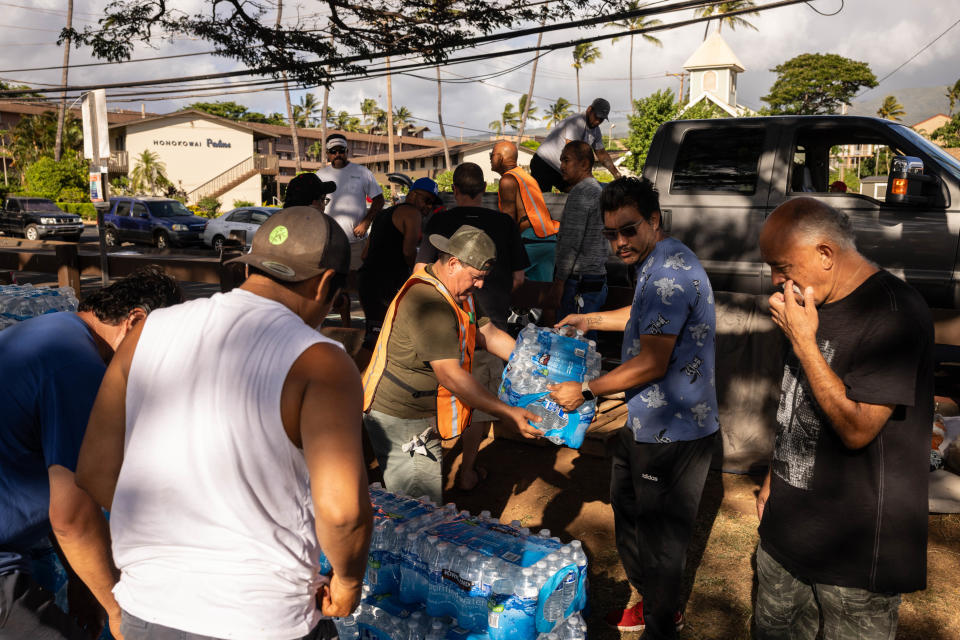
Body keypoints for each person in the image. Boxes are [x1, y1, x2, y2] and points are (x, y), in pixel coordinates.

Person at [76, 206, 374, 640]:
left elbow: (95, 471)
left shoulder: (147, 332)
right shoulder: (321, 361)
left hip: (148, 607)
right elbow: (343, 512)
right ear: (327, 284)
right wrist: (348, 582)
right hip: (259, 617)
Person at [753, 197, 933, 640]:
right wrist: (773, 482)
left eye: (782, 267)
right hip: (785, 529)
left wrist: (806, 343)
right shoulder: (807, 304)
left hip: (854, 548)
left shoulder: (893, 313)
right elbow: (794, 401)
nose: (776, 282)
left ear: (826, 254)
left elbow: (857, 430)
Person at [548, 177, 718, 639]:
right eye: (610, 233)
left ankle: (661, 624)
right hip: (646, 422)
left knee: (661, 540)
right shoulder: (655, 261)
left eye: (628, 230)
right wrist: (590, 318)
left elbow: (652, 360)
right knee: (629, 514)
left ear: (654, 220)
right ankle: (650, 604)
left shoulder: (668, 272)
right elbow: (642, 315)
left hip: (674, 431)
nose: (619, 242)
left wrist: (586, 389)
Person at [0, 267, 182, 640]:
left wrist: (84, 582)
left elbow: (58, 488)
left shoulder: (51, 334)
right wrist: (119, 610)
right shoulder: (75, 365)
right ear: (135, 321)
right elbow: (72, 516)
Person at [362, 225, 542, 503]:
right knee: (417, 506)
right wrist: (509, 413)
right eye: (477, 277)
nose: (480, 285)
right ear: (454, 263)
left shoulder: (458, 292)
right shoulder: (430, 302)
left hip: (421, 410)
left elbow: (489, 334)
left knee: (415, 501)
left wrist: (536, 365)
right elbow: (451, 375)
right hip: (402, 417)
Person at [413, 163, 529, 490]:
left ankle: (438, 471)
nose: (476, 283)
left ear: (457, 191)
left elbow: (420, 268)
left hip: (459, 322)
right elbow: (519, 277)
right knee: (475, 400)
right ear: (483, 190)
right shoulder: (504, 223)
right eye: (473, 277)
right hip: (483, 319)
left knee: (444, 395)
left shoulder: (440, 221)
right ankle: (466, 470)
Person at [359, 177, 441, 348]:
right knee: (384, 341)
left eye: (432, 203)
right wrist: (420, 276)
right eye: (426, 200)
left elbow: (364, 254)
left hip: (368, 282)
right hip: (386, 285)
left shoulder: (383, 214)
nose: (428, 207)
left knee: (376, 337)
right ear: (412, 195)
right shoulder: (412, 213)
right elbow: (408, 252)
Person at [549, 140, 609, 321]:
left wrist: (559, 283)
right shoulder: (597, 190)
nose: (561, 166)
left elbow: (571, 244)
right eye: (561, 160)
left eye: (566, 160)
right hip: (595, 279)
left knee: (571, 343)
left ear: (584, 164)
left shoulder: (581, 193)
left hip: (579, 282)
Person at [316, 132, 385, 270]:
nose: (337, 154)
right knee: (330, 279)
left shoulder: (362, 172)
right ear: (327, 154)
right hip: (327, 242)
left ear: (347, 151)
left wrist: (366, 222)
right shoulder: (320, 175)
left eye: (341, 151)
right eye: (333, 151)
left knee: (355, 280)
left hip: (355, 242)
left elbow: (379, 200)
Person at [492, 140, 559, 282]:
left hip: (531, 240)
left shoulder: (507, 180)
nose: (490, 159)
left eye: (491, 155)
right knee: (539, 295)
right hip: (549, 241)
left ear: (499, 157)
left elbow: (508, 221)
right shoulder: (525, 177)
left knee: (499, 279)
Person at [530, 98, 621, 193]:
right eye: (596, 117)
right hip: (543, 163)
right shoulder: (576, 122)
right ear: (589, 110)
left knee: (578, 196)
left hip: (562, 169)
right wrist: (590, 179)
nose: (598, 121)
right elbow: (572, 154)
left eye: (601, 119)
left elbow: (601, 154)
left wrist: (617, 175)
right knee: (539, 202)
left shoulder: (596, 131)